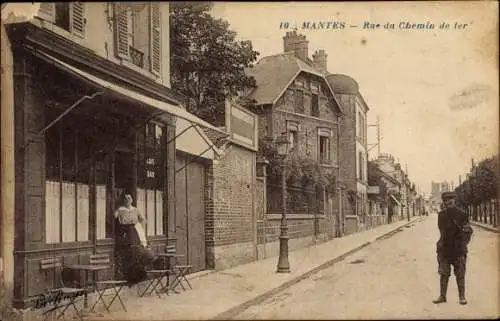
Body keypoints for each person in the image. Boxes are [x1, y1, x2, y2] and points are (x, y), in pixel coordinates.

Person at [433, 191, 473, 305]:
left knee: (460, 274)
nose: (448, 202)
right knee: (444, 273)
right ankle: (442, 296)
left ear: (454, 200)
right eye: (446, 200)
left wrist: (463, 244)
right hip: (445, 249)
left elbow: (468, 231)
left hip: (458, 249)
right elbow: (442, 231)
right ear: (444, 202)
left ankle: (462, 297)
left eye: (450, 199)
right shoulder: (441, 215)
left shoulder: (463, 214)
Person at [114, 193, 155, 285]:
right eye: (126, 199)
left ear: (132, 200)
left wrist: (138, 224)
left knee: (140, 253)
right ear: (123, 201)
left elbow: (143, 219)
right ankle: (131, 276)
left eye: (129, 198)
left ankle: (138, 275)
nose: (128, 200)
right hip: (125, 231)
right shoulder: (121, 209)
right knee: (130, 254)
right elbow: (114, 216)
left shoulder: (135, 210)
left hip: (134, 231)